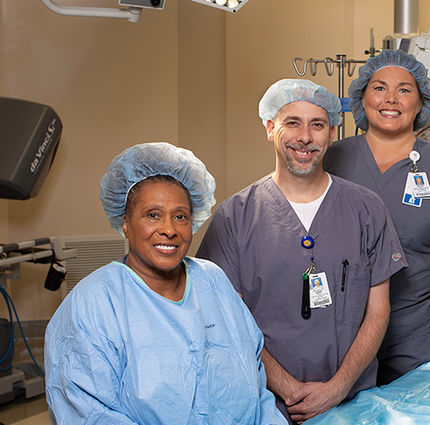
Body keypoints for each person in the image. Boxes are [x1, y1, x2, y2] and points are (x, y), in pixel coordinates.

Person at [196, 79, 406, 423]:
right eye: (292, 122)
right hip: (266, 404)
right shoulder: (235, 217)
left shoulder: (366, 209)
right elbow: (228, 323)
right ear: (269, 128)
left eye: (317, 124)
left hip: (353, 403)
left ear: (333, 132)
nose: (305, 137)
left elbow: (378, 311)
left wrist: (338, 387)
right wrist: (288, 389)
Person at [44, 142, 285, 425]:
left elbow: (257, 386)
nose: (169, 230)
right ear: (125, 222)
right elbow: (87, 413)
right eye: (153, 215)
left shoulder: (214, 282)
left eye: (180, 216)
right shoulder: (94, 304)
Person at [323, 49, 430, 384]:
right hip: (340, 331)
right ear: (361, 97)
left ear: (421, 102)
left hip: (417, 333)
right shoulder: (332, 160)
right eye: (379, 87)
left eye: (404, 90)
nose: (391, 99)